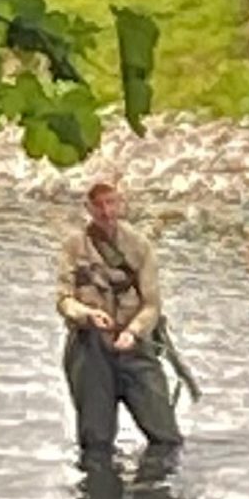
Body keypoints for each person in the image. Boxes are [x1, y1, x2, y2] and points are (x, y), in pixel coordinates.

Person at [56, 181, 182, 456]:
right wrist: (87, 314)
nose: (106, 211)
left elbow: (152, 305)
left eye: (111, 203)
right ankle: (98, 493)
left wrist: (134, 332)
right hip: (90, 348)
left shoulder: (139, 245)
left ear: (121, 204)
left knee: (166, 436)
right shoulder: (74, 246)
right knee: (96, 443)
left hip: (134, 346)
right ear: (88, 208)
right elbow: (64, 300)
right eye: (99, 205)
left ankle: (159, 492)